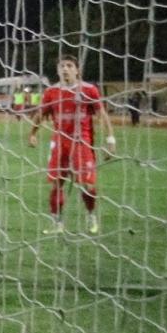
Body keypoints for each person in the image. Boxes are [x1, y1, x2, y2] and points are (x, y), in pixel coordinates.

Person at [29, 54, 114, 235]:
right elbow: (40, 114)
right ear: (57, 70)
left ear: (77, 70)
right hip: (60, 143)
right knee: (57, 183)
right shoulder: (51, 92)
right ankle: (57, 223)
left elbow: (102, 114)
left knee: (87, 184)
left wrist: (110, 139)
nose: (65, 69)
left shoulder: (89, 90)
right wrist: (33, 134)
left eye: (69, 65)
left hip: (82, 143)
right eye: (62, 66)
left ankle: (91, 215)